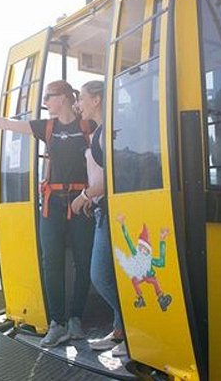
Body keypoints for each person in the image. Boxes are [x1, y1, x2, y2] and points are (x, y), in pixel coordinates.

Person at [0, 80, 95, 348]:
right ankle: (58, 323)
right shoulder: (46, 127)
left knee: (84, 263)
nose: (46, 102)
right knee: (51, 262)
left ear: (62, 97)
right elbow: (6, 123)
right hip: (52, 205)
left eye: (49, 97)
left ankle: (75, 319)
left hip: (81, 204)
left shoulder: (86, 126)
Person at [70, 80, 127, 357]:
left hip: (111, 208)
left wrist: (84, 196)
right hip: (104, 208)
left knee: (100, 275)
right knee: (115, 274)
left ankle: (134, 329)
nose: (78, 104)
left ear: (97, 99)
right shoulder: (102, 132)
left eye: (81, 97)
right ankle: (121, 331)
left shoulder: (107, 133)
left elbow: (111, 179)